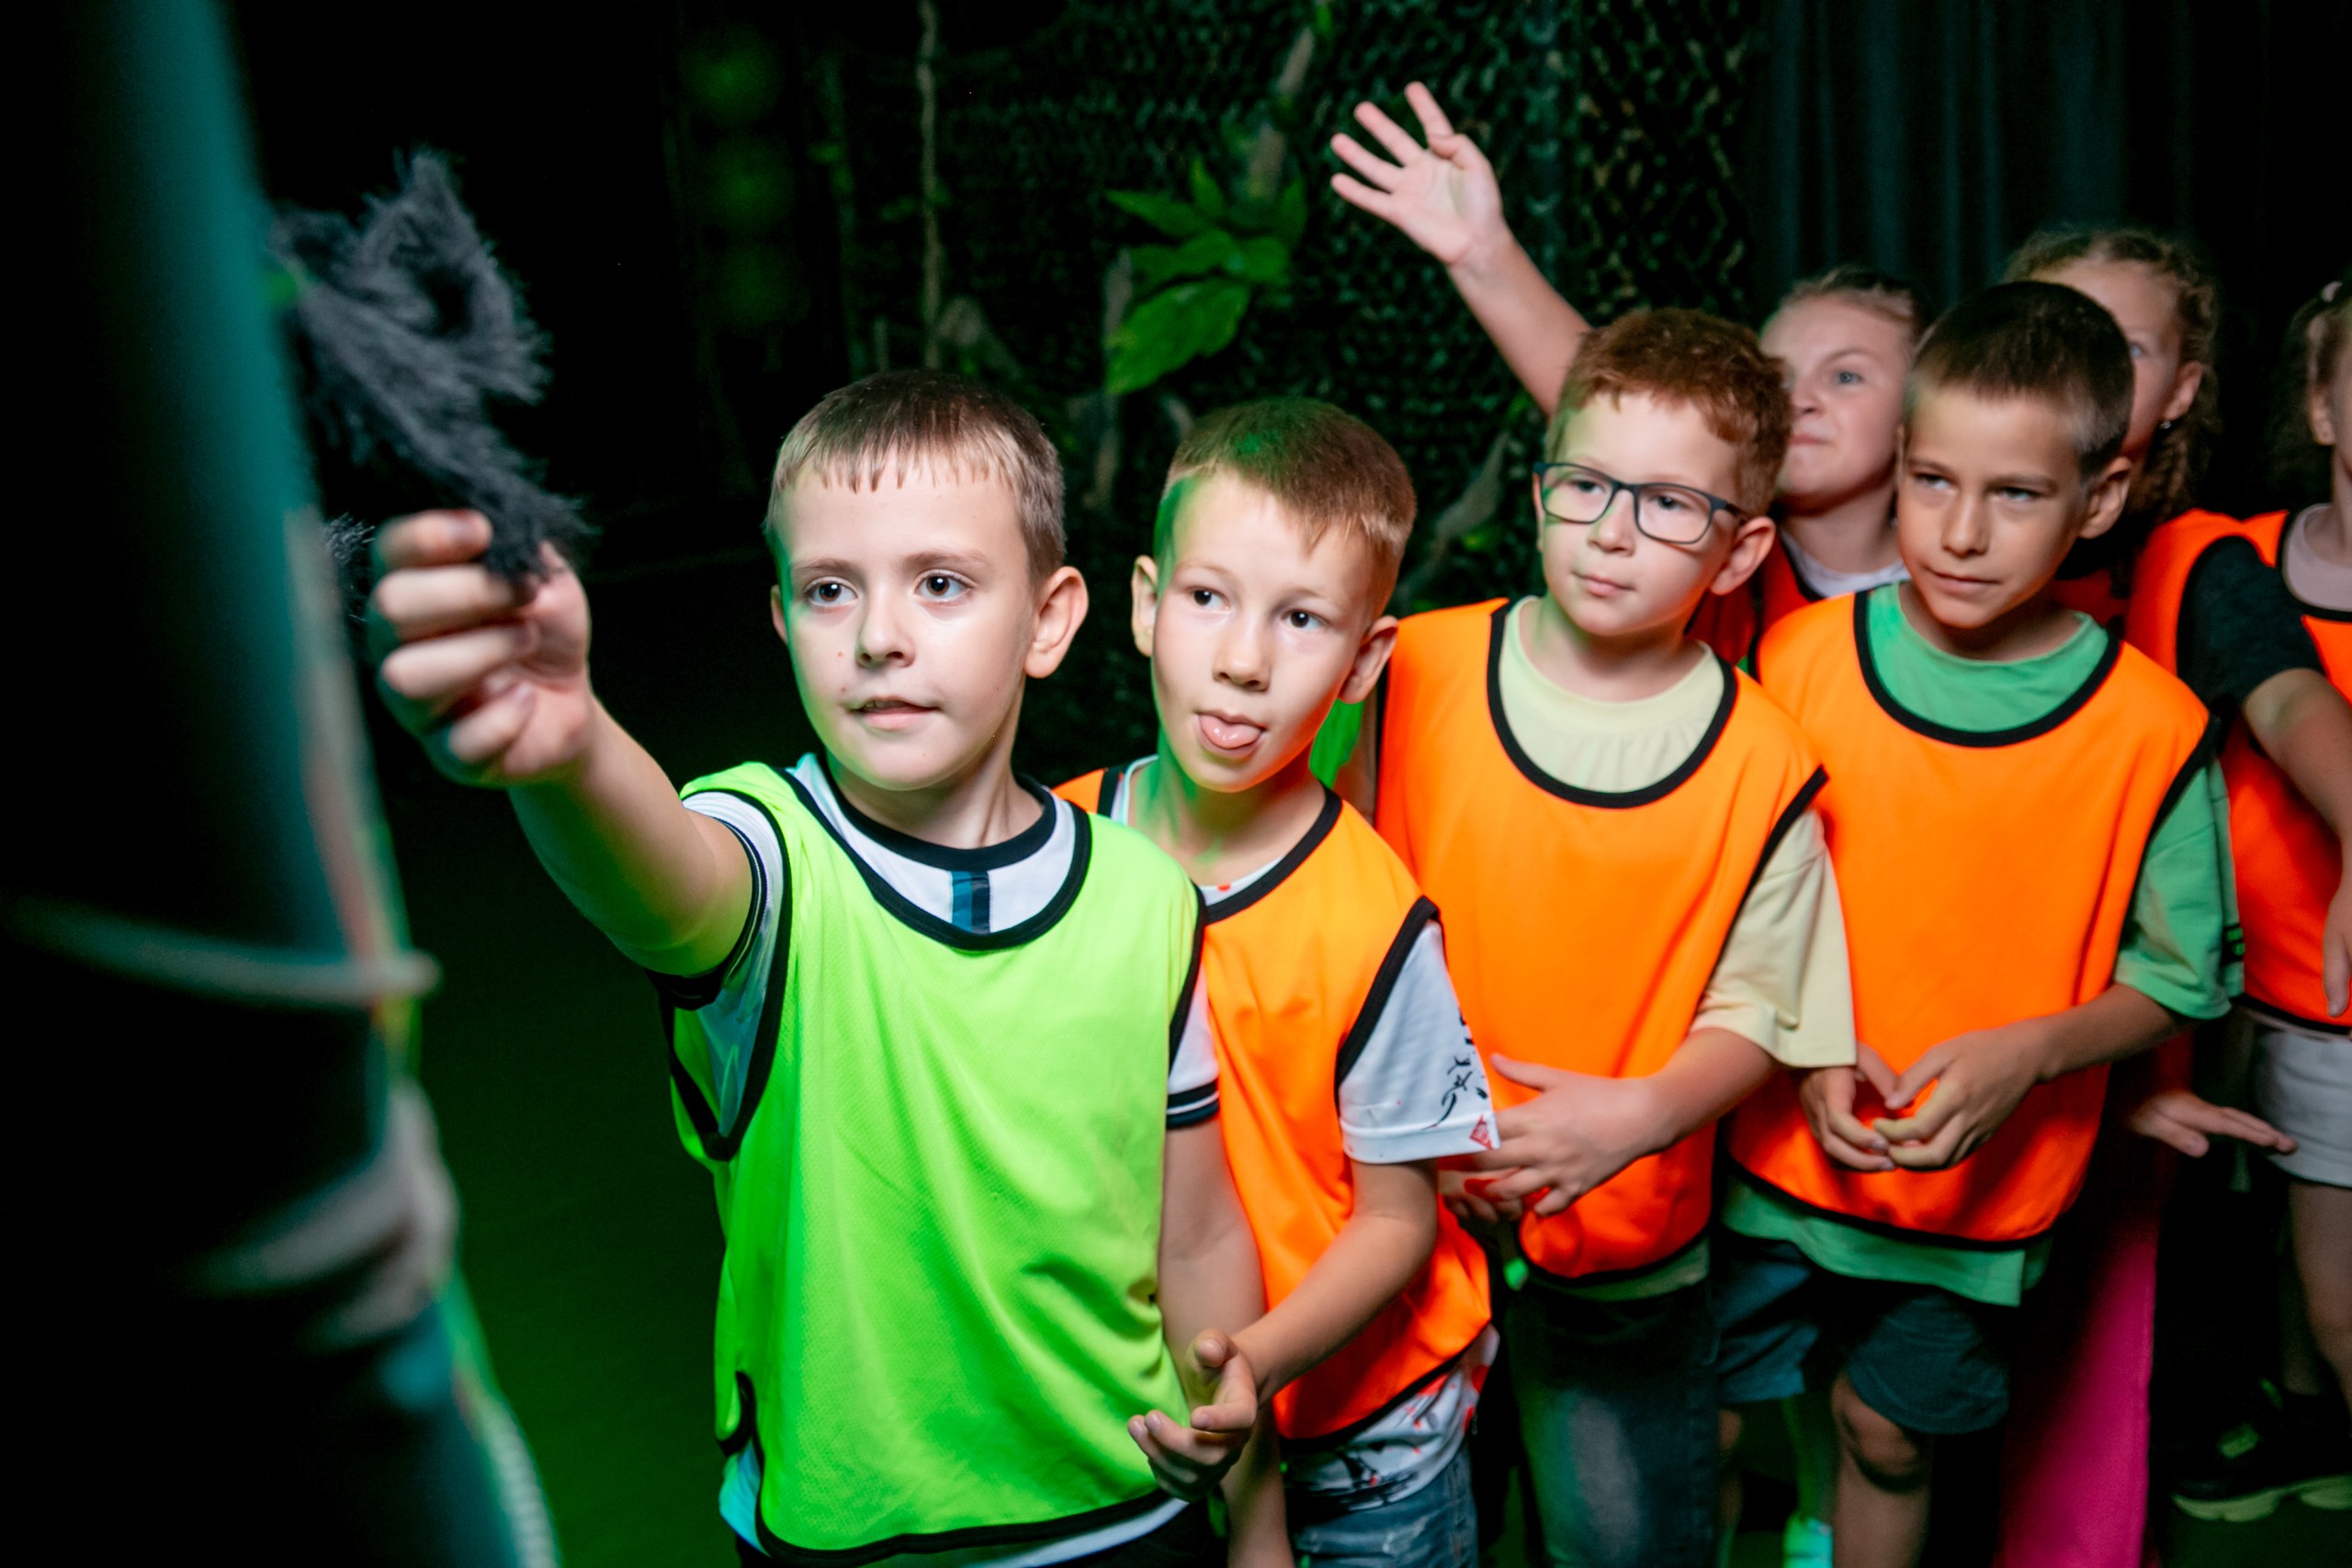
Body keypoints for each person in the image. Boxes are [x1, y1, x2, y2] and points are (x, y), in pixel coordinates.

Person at [365, 370, 1282, 1566]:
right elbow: (665, 883)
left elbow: (1198, 1233)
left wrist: (1256, 1515)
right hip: (843, 1540)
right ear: (783, 618)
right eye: (830, 588)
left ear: (1050, 619)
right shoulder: (771, 855)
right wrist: (571, 745)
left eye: (940, 583)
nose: (878, 636)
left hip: (1131, 1515)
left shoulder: (1147, 897)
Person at [1715, 283, 2237, 1568]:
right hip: (1770, 1152)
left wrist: (2033, 1053)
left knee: (1887, 1432)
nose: (1959, 531)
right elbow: (1731, 895)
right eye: (1932, 479)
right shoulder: (1800, 661)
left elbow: (2181, 976)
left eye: (2014, 494)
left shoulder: (2151, 727)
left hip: (1975, 1197)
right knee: (1709, 1419)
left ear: (2098, 501)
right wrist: (1800, 1038)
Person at [1333, 308, 1854, 1568]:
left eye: (1670, 504)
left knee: (1621, 1546)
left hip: (1626, 1256)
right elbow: (1330, 899)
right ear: (1541, 491)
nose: (1613, 530)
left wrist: (1639, 1116)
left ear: (1740, 552)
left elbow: (1766, 1007)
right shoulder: (1413, 669)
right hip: (1400, 1224)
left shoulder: (1765, 758)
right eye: (1587, 485)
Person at [1057, 399, 1500, 1567]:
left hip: (1364, 1449)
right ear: (1145, 604)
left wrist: (1250, 1362)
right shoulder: (1055, 847)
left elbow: (1398, 1222)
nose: (1243, 662)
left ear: (1363, 661)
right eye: (1208, 598)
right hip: (1132, 1432)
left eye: (1300, 619)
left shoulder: (1373, 921)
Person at [1328, 85, 1919, 673]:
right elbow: (1616, 408)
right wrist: (1484, 255)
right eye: (1778, 379)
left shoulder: (1955, 581)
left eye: (1846, 376)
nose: (1799, 402)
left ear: (1919, 413)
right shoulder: (1693, 554)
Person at [2120, 274, 2352, 1523]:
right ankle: (2302, 1424)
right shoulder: (2243, 555)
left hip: (2336, 1003)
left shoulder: (2215, 561)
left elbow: (2298, 706)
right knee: (2268, 1235)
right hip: (2235, 983)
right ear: (2318, 405)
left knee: (2334, 1276)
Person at [2003, 226, 2224, 626]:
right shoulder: (1948, 532)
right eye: (2056, 337)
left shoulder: (2210, 569)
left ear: (2180, 391)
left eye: (2130, 348)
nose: (2090, 365)